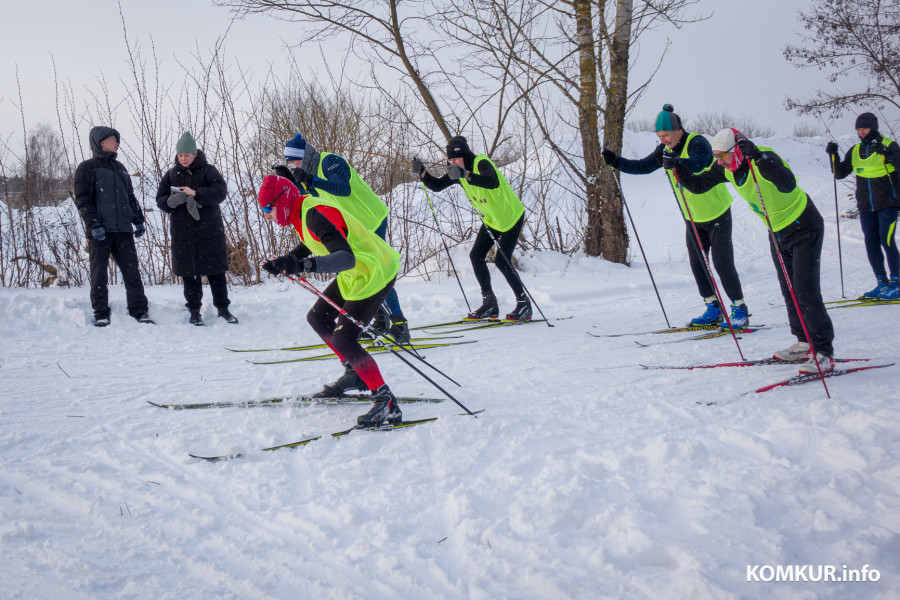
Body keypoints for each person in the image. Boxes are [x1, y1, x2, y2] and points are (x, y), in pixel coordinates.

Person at [671, 128, 836, 374]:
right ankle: (804, 342)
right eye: (716, 157)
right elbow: (698, 185)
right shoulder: (726, 168)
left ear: (737, 149)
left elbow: (787, 184)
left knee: (805, 290)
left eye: (723, 156)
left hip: (804, 226)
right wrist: (678, 169)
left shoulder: (764, 157)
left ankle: (824, 352)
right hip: (777, 232)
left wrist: (758, 157)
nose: (720, 161)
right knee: (789, 289)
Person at [257, 174, 404, 427]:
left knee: (344, 338)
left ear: (282, 201)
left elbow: (345, 257)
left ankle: (386, 403)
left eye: (268, 209)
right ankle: (354, 373)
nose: (267, 216)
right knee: (318, 318)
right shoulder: (301, 212)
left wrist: (302, 265)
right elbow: (309, 243)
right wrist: (286, 261)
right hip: (357, 272)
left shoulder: (315, 213)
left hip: (374, 270)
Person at [602, 105, 750, 327]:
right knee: (698, 265)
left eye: (666, 135)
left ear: (679, 130)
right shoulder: (665, 150)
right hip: (693, 218)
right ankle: (712, 308)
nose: (663, 140)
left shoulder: (697, 142)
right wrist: (616, 162)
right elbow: (643, 166)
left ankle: (739, 309)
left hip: (717, 213)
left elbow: (700, 163)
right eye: (659, 136)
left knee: (722, 263)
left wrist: (679, 162)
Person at [272, 133, 410, 343]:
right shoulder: (311, 173)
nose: (292, 167)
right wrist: (290, 181)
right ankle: (381, 320)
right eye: (289, 165)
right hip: (355, 228)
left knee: (376, 271)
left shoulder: (329, 161)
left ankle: (399, 324)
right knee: (362, 271)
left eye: (293, 163)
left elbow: (343, 189)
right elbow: (309, 196)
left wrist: (310, 179)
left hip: (371, 219)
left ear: (304, 156)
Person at [413, 136, 531, 321]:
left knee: (502, 261)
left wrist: (465, 174)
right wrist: (423, 173)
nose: (452, 163)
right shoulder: (458, 172)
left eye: (456, 159)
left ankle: (524, 304)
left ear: (465, 156)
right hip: (493, 220)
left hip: (511, 216)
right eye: (450, 160)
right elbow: (437, 186)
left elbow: (491, 181)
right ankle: (489, 303)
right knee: (476, 256)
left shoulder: (481, 163)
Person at [73, 126, 152, 327]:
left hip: (123, 230)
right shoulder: (87, 167)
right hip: (100, 231)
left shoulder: (120, 168)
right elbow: (82, 199)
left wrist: (138, 219)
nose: (117, 143)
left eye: (117, 139)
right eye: (113, 139)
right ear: (101, 142)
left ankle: (139, 311)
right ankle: (101, 313)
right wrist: (93, 224)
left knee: (132, 273)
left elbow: (130, 197)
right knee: (99, 274)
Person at [156, 132, 237, 326]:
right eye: (180, 155)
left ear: (195, 154)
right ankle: (194, 311)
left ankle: (223, 309)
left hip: (209, 231)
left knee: (216, 272)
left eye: (187, 155)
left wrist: (197, 193)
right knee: (190, 274)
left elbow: (220, 192)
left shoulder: (209, 171)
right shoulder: (172, 174)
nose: (183, 158)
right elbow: (160, 200)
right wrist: (171, 201)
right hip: (183, 233)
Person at [826, 112, 900, 300]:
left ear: (873, 128)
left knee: (887, 240)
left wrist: (888, 155)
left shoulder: (889, 145)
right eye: (858, 129)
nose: (861, 132)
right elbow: (840, 174)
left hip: (888, 203)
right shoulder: (855, 150)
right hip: (866, 206)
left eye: (864, 129)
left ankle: (897, 283)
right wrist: (833, 154)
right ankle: (882, 282)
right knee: (871, 242)